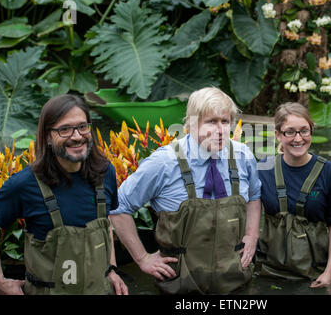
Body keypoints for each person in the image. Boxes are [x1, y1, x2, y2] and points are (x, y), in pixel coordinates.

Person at [109, 87, 262, 294]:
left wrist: (251, 236)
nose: (220, 130)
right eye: (211, 121)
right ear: (191, 122)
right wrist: (142, 258)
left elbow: (254, 196)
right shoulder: (164, 162)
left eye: (225, 122)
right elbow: (118, 208)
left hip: (235, 281)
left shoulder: (244, 157)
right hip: (178, 285)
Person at [0, 94, 128, 295]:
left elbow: (104, 223)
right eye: (64, 129)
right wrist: (0, 281)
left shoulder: (105, 173)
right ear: (48, 137)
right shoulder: (24, 184)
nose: (76, 136)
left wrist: (111, 269)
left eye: (83, 126)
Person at [256, 102, 331, 288]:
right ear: (278, 134)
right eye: (290, 132)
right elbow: (250, 215)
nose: (298, 138)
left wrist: (330, 271)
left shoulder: (330, 173)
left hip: (314, 272)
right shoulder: (263, 169)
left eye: (304, 131)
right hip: (269, 270)